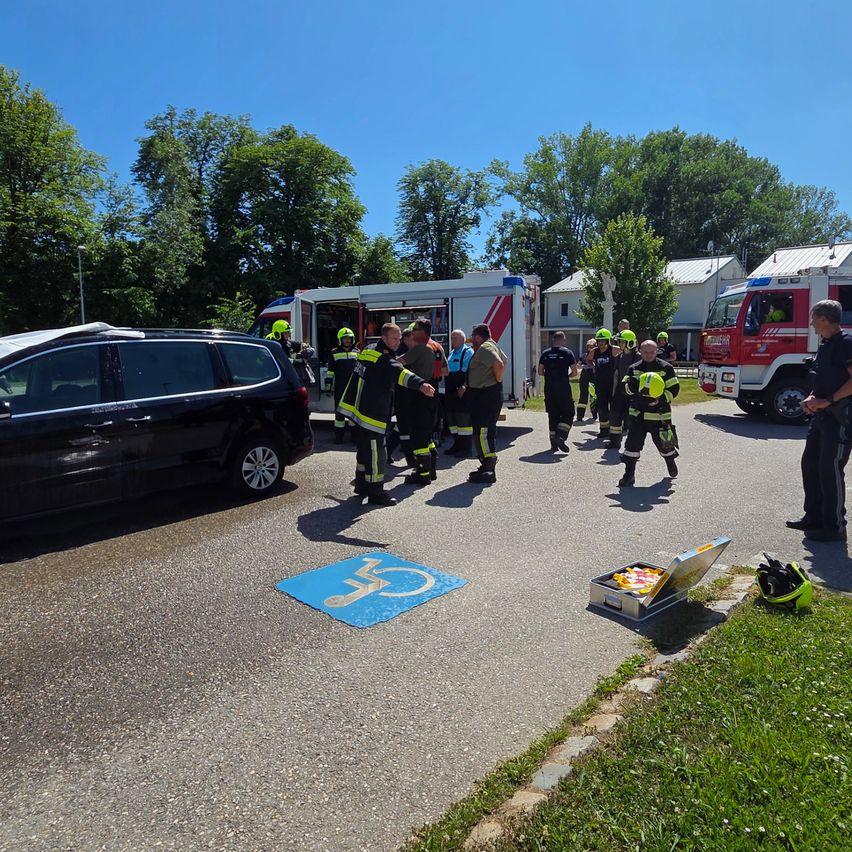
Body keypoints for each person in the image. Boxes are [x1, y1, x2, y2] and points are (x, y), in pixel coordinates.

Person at [337, 323, 435, 506]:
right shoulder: (383, 357)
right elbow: (399, 372)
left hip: (359, 409)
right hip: (371, 412)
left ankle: (361, 484)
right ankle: (375, 491)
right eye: (394, 339)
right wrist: (421, 384)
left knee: (364, 450)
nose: (397, 342)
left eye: (399, 339)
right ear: (384, 338)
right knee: (377, 452)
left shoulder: (368, 349)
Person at [786, 299, 852, 541]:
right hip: (821, 418)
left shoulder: (846, 343)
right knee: (810, 466)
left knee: (830, 471)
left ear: (824, 319)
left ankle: (834, 527)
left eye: (814, 318)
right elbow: (823, 380)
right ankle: (812, 517)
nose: (811, 322)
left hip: (840, 418)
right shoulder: (825, 344)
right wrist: (813, 398)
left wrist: (829, 400)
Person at [618, 340, 680, 487]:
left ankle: (670, 461)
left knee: (666, 445)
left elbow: (674, 389)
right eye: (645, 352)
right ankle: (629, 475)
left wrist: (662, 400)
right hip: (638, 415)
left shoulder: (666, 368)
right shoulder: (634, 368)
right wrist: (631, 387)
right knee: (632, 447)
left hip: (660, 416)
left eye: (652, 352)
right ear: (640, 351)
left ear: (657, 351)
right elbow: (623, 389)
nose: (649, 355)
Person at [397, 318, 448, 486]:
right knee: (427, 435)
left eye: (415, 330)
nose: (412, 333)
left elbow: (398, 363)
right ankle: (431, 470)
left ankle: (423, 473)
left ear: (422, 332)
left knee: (418, 436)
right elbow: (445, 371)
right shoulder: (437, 346)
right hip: (434, 393)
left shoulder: (420, 347)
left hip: (420, 393)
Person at [459, 323, 505, 484]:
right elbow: (504, 359)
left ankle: (488, 468)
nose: (472, 341)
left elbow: (499, 364)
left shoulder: (485, 347)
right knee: (485, 431)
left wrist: (497, 380)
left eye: (473, 337)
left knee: (483, 432)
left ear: (478, 336)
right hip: (486, 394)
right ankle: (485, 465)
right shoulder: (492, 345)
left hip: (486, 395)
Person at [538, 331, 578, 452]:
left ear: (553, 340)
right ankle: (561, 436)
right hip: (563, 388)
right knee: (568, 412)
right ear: (563, 340)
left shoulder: (545, 353)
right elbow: (575, 372)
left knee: (553, 414)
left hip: (549, 388)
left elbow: (540, 372)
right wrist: (567, 376)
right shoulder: (567, 352)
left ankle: (553, 443)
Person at [606, 329, 638, 450]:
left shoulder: (638, 357)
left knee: (631, 419)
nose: (619, 344)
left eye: (622, 342)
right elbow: (616, 374)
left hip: (633, 393)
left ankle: (632, 445)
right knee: (614, 416)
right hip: (619, 391)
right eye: (619, 341)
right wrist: (614, 392)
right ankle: (614, 442)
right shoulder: (619, 357)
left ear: (630, 343)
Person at [444, 328, 474, 456]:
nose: (452, 340)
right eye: (451, 338)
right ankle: (456, 445)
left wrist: (464, 387)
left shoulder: (468, 352)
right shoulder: (451, 353)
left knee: (463, 423)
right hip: (450, 392)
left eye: (455, 338)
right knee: (452, 421)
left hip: (462, 392)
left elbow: (470, 373)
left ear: (462, 339)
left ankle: (466, 449)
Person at [328, 327, 359, 444]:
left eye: (349, 338)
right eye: (345, 338)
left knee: (352, 414)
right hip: (340, 388)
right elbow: (330, 370)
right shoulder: (335, 352)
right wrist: (328, 386)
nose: (347, 341)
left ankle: (354, 437)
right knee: (339, 415)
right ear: (340, 340)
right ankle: (339, 438)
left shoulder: (357, 352)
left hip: (353, 388)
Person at [592, 328, 615, 437]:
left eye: (603, 340)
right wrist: (593, 367)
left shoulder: (613, 350)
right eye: (599, 341)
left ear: (607, 340)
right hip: (600, 383)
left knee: (614, 407)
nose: (600, 343)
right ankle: (604, 429)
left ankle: (615, 429)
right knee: (601, 407)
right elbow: (587, 359)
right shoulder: (595, 351)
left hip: (612, 383)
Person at [576, 338, 597, 422]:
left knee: (594, 396)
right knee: (583, 396)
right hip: (585, 376)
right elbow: (578, 365)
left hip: (594, 376)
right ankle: (580, 416)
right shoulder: (584, 355)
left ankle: (595, 415)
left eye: (592, 346)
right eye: (588, 346)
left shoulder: (597, 355)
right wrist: (583, 366)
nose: (590, 348)